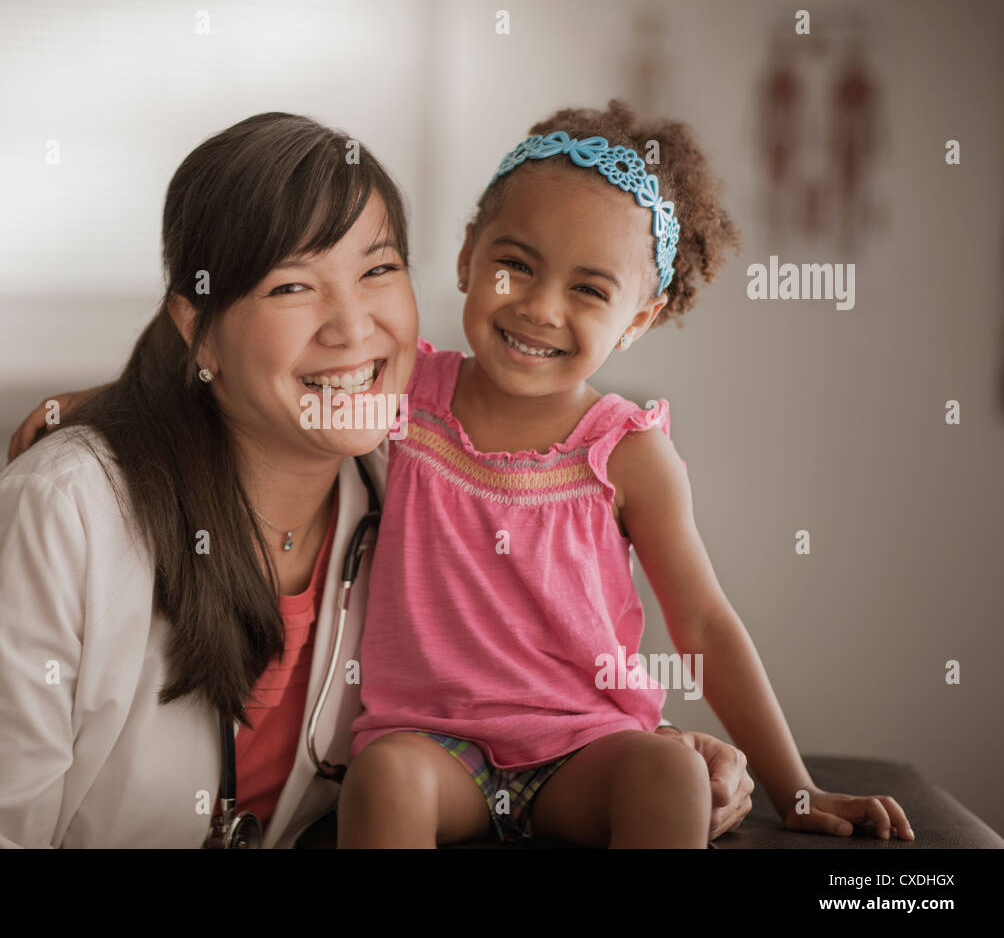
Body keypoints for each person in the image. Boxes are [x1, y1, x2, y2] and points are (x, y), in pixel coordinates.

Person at [0, 111, 754, 849]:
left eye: (377, 270)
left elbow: (511, 659)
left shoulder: (407, 462)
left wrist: (649, 747)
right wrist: (108, 403)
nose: (351, 329)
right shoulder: (63, 513)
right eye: (290, 285)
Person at [336, 100, 914, 847]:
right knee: (383, 780)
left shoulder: (629, 453)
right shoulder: (408, 395)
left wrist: (796, 791)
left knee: (669, 773)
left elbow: (704, 623)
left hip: (582, 750)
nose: (541, 308)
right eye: (514, 265)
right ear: (467, 255)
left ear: (640, 318)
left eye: (589, 289)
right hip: (432, 747)